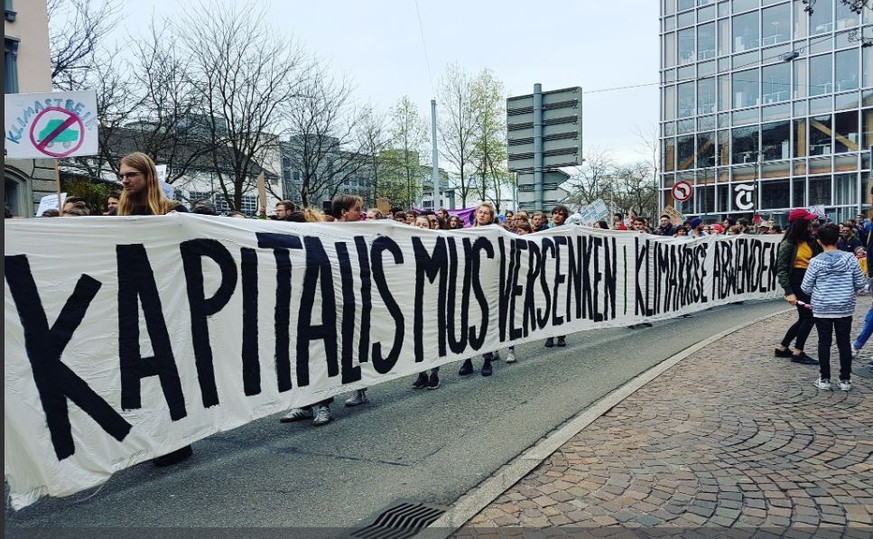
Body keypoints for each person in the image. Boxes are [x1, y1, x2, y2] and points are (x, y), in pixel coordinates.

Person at [113, 152, 192, 466]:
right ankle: (155, 438)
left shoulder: (174, 213)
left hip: (170, 302)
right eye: (122, 176)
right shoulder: (119, 217)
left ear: (148, 176)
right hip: (134, 304)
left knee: (171, 371)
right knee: (142, 375)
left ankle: (177, 439)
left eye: (131, 174)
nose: (125, 181)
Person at [801, 223, 866, 391]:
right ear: (838, 239)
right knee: (844, 343)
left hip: (822, 307)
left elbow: (806, 287)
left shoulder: (815, 262)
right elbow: (860, 282)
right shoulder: (850, 258)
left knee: (824, 342)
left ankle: (824, 378)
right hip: (844, 307)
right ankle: (845, 380)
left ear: (819, 241)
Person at [774, 208, 820, 365]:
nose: (810, 223)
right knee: (809, 317)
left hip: (808, 280)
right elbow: (781, 270)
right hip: (796, 281)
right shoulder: (787, 244)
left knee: (804, 317)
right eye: (807, 221)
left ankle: (782, 348)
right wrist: (789, 292)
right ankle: (797, 352)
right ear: (800, 224)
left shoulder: (811, 241)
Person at [545, 204, 571, 347]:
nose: (557, 215)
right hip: (548, 271)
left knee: (561, 304)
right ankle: (549, 334)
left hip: (563, 271)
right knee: (548, 304)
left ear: (564, 217)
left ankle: (561, 335)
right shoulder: (544, 231)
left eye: (560, 214)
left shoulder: (569, 231)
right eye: (555, 213)